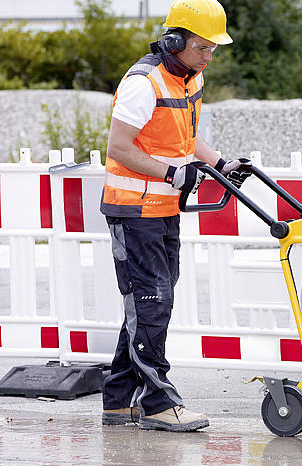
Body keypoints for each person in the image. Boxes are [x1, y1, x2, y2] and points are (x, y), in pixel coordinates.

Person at [99, 0, 250, 432]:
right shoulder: (143, 83)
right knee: (152, 301)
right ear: (173, 41)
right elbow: (119, 147)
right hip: (134, 210)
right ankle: (157, 403)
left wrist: (220, 163)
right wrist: (171, 173)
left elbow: (186, 138)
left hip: (164, 209)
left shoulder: (190, 78)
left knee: (148, 303)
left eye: (212, 49)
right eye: (202, 47)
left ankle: (118, 401)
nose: (208, 56)